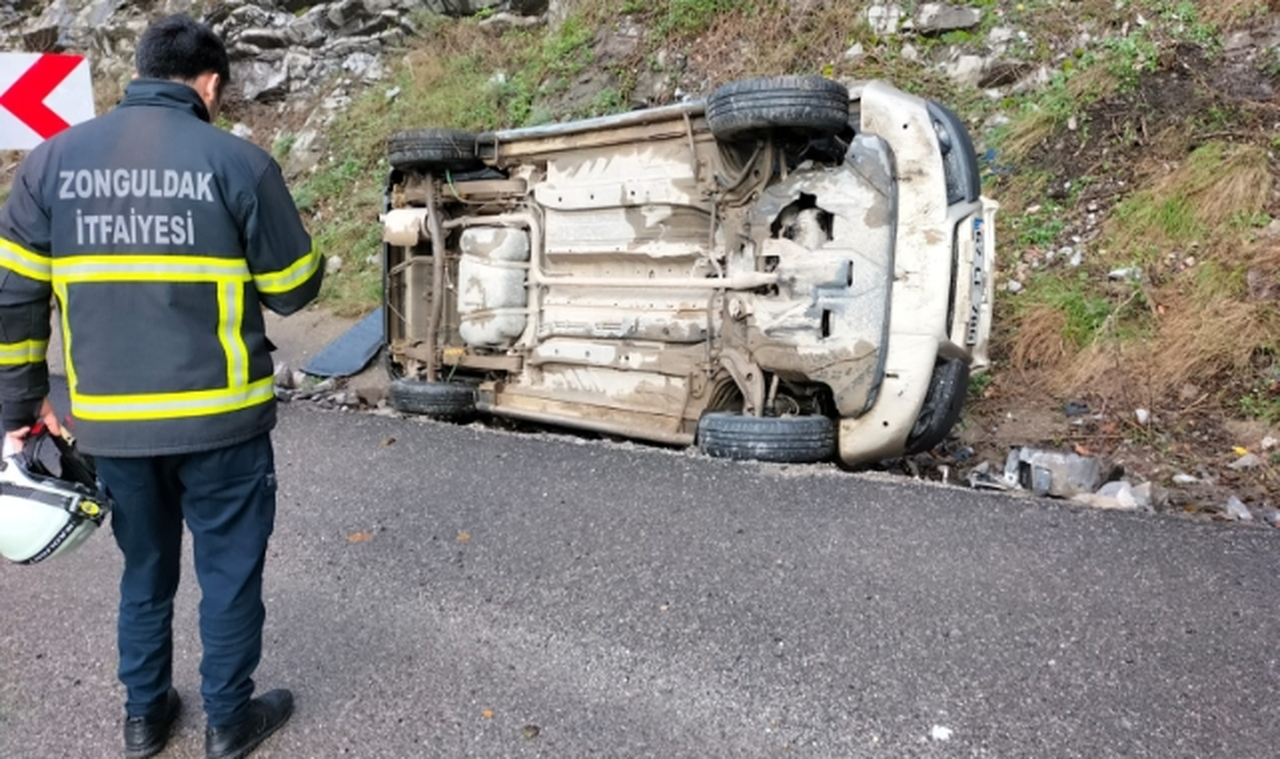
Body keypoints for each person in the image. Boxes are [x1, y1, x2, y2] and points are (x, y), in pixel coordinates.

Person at [0, 14, 321, 759]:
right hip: (222, 423)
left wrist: (20, 406)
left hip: (110, 427)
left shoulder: (49, 165)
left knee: (144, 571)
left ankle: (144, 718)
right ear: (209, 83)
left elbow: (13, 297)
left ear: (140, 71)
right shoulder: (238, 162)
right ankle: (228, 722)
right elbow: (294, 290)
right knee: (229, 573)